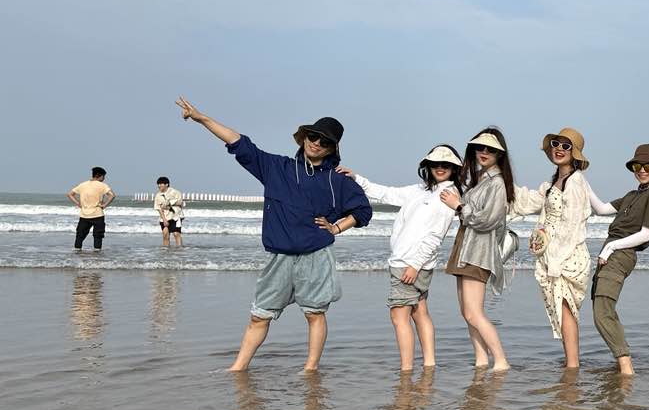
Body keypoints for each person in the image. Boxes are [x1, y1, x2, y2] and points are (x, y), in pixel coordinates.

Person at [175, 98, 372, 371]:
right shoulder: (277, 168)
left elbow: (363, 211)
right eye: (313, 137)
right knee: (259, 316)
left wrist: (336, 227)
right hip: (279, 256)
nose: (316, 143)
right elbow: (239, 143)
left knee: (314, 314)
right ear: (304, 138)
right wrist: (202, 119)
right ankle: (238, 368)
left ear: (332, 148)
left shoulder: (337, 180)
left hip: (316, 256)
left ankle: (310, 369)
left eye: (324, 141)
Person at [339, 145, 462, 372]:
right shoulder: (421, 190)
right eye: (436, 164)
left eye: (446, 164)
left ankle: (406, 369)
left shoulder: (447, 195)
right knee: (419, 311)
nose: (440, 168)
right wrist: (357, 178)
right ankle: (429, 364)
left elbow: (436, 236)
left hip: (411, 263)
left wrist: (414, 265)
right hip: (411, 262)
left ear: (454, 168)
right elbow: (386, 193)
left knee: (398, 315)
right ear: (428, 166)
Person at [510, 127, 595, 369]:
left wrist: (557, 260)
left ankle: (573, 365)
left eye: (566, 146)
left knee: (566, 308)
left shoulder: (575, 182)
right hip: (553, 254)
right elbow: (528, 202)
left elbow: (572, 226)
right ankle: (571, 362)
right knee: (560, 307)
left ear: (574, 153)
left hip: (568, 255)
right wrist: (503, 181)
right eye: (556, 144)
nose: (559, 149)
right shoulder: (553, 182)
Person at [438, 128, 517, 372]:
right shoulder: (481, 179)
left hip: (478, 252)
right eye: (479, 148)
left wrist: (459, 206)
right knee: (467, 312)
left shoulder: (497, 183)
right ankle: (481, 359)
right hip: (465, 248)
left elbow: (487, 220)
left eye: (490, 149)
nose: (483, 152)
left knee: (474, 313)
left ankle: (501, 360)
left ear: (499, 154)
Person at [586, 143, 649, 376]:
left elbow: (646, 234)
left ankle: (626, 366)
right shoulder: (633, 195)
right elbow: (601, 209)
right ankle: (621, 361)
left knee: (602, 311)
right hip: (610, 253)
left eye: (648, 166)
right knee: (603, 308)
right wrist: (581, 179)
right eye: (637, 166)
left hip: (620, 254)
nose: (641, 170)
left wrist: (611, 247)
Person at [68, 167, 114, 251]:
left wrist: (78, 204)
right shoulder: (102, 185)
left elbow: (70, 194)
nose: (104, 178)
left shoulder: (82, 184)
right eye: (103, 176)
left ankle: (77, 252)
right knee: (98, 236)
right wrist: (104, 205)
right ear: (99, 175)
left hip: (84, 214)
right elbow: (112, 195)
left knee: (80, 235)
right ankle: (97, 254)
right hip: (97, 214)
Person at [153, 177, 185, 247]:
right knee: (165, 234)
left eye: (161, 184)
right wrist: (164, 219)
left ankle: (179, 249)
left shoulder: (175, 192)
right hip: (165, 217)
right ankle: (165, 250)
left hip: (176, 216)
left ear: (166, 184)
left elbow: (181, 203)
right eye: (158, 184)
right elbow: (158, 208)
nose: (159, 186)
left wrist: (169, 203)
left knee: (176, 234)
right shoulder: (158, 195)